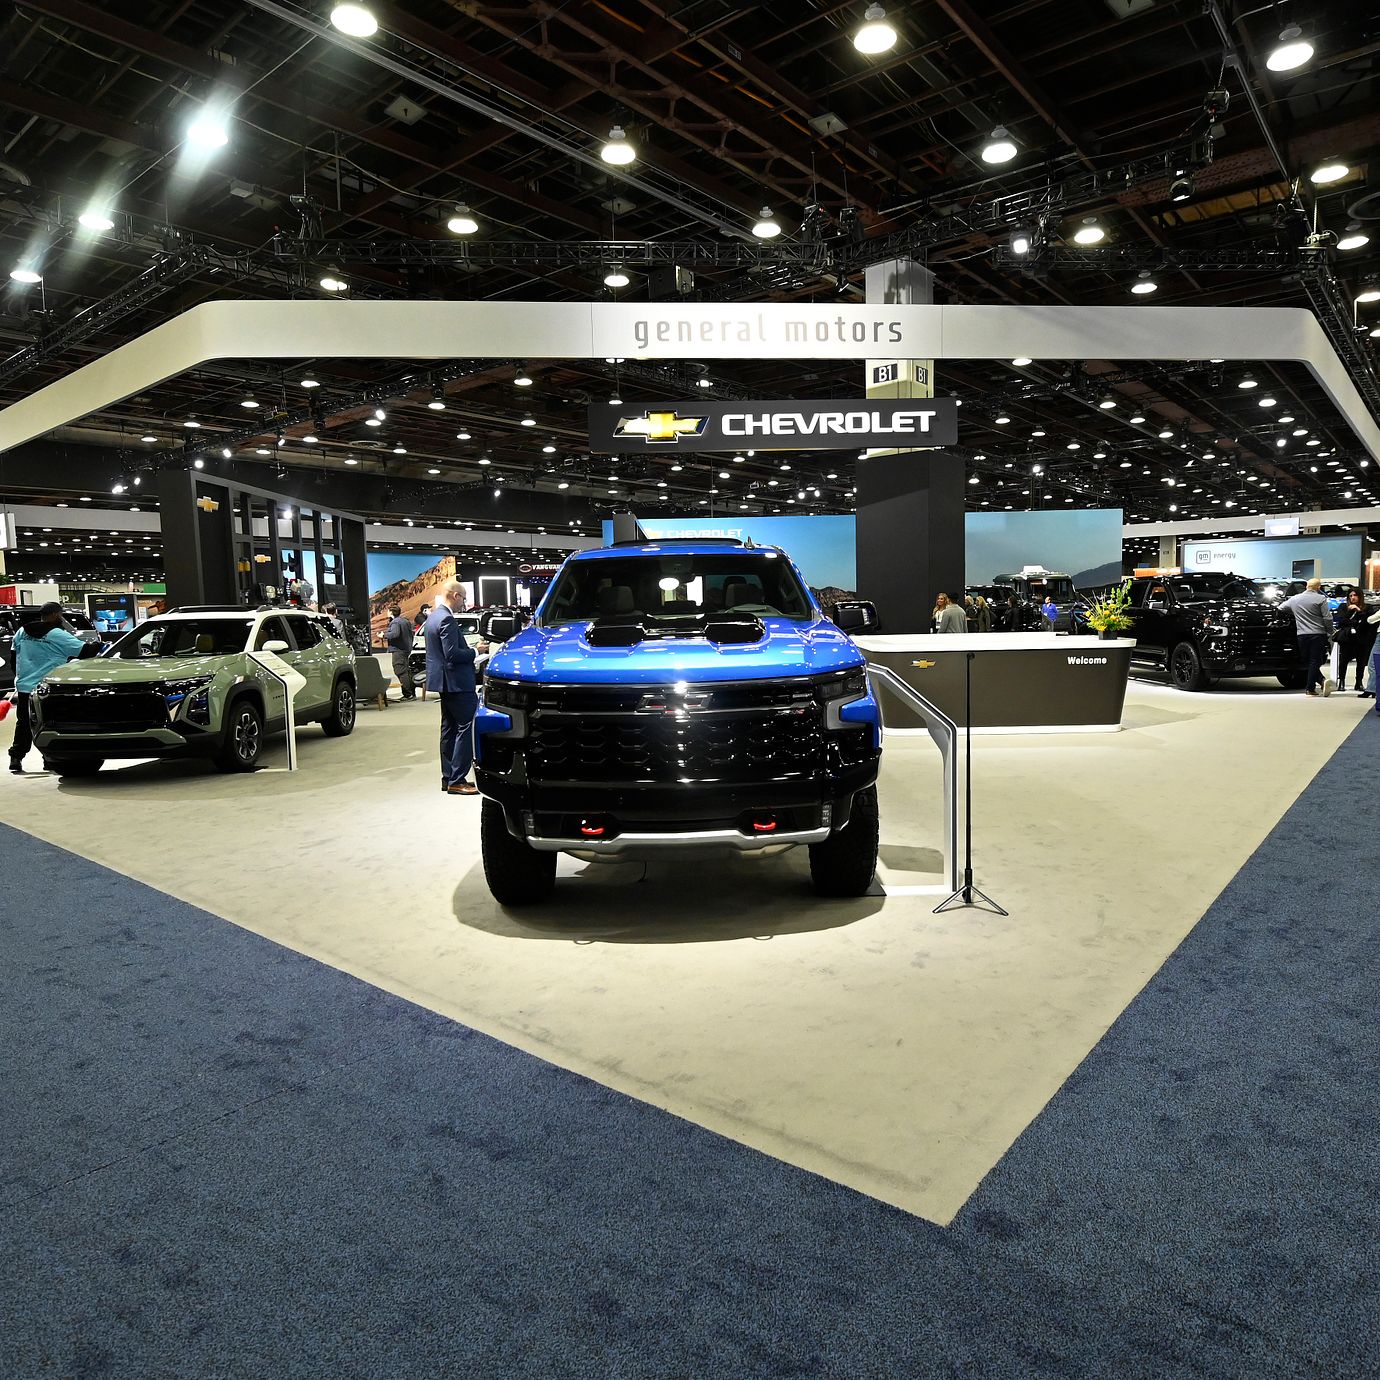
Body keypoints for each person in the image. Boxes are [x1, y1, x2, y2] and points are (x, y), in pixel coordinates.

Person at [8, 603, 92, 774]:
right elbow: (84, 651)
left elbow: (13, 656)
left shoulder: (22, 632)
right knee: (49, 724)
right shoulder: (57, 634)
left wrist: (21, 677)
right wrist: (103, 646)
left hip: (25, 687)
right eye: (60, 614)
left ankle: (16, 757)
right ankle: (49, 759)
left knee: (23, 723)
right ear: (55, 614)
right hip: (46, 688)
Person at [425, 579, 479, 795]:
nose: (463, 603)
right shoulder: (446, 619)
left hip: (444, 683)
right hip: (457, 683)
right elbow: (453, 654)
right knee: (467, 727)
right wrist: (476, 652)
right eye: (463, 599)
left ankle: (448, 777)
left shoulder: (433, 617)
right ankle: (457, 779)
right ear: (455, 596)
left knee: (449, 729)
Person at [1280, 577, 1336, 696]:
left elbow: (1281, 608)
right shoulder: (1321, 599)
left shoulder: (1295, 599)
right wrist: (1330, 631)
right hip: (1318, 634)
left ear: (1306, 586)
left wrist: (1295, 612)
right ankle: (1310, 688)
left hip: (1302, 635)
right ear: (1319, 587)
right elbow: (1327, 617)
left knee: (1307, 662)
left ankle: (1321, 681)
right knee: (1315, 660)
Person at [1333, 590, 1373, 693]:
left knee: (1361, 661)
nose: (1353, 598)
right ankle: (1341, 681)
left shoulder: (1368, 607)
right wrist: (1352, 614)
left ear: (1360, 596)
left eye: (1355, 595)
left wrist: (1359, 611)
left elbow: (1367, 621)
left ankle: (1359, 682)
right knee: (1344, 660)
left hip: (1361, 638)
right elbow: (1342, 622)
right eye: (1350, 596)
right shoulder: (1343, 607)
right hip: (1347, 638)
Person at [383, 603, 415, 701]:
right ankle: (411, 693)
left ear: (391, 612)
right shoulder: (405, 621)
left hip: (398, 650)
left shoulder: (395, 622)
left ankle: (408, 694)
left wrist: (383, 635)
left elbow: (395, 634)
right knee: (406, 671)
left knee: (400, 671)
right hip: (406, 649)